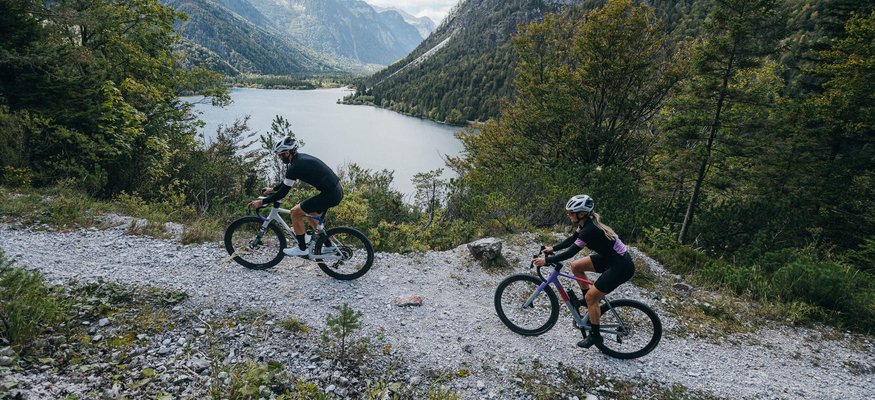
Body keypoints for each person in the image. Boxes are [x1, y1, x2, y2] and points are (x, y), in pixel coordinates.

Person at [532, 194, 634, 349]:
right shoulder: (585, 223)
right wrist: (552, 248)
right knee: (576, 266)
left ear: (581, 213)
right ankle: (588, 303)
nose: (568, 215)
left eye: (571, 213)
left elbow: (570, 252)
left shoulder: (590, 229)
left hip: (621, 266)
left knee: (592, 297)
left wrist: (547, 261)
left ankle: (595, 336)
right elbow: (572, 239)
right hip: (610, 259)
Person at [248, 137, 343, 257]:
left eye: (280, 155)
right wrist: (272, 190)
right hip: (335, 190)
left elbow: (283, 193)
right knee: (311, 214)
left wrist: (262, 202)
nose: (279, 158)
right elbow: (286, 182)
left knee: (295, 212)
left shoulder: (295, 166)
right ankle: (329, 246)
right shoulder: (299, 160)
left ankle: (302, 248)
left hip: (331, 194)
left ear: (287, 153)